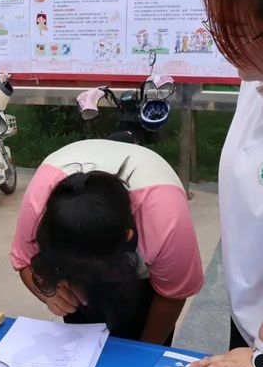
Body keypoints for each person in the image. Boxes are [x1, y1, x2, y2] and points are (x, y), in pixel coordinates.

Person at [11, 139, 203, 344]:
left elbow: (172, 294)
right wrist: (48, 293)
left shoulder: (166, 220)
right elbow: (24, 262)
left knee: (137, 324)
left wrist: (146, 351)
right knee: (83, 340)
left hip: (142, 272)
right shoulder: (39, 205)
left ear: (127, 236)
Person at [189, 0, 263, 367]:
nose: (223, 43)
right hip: (248, 318)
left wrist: (261, 354)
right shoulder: (254, 83)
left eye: (234, 28)